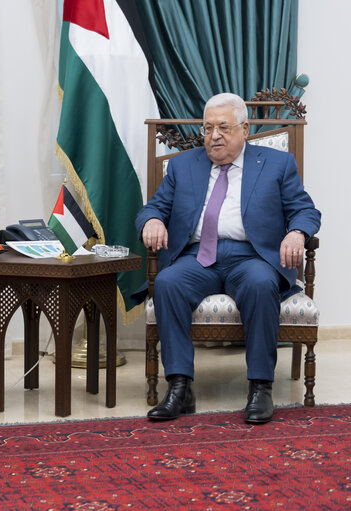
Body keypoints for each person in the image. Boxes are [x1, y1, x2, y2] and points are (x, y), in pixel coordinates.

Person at [135, 93, 320, 424]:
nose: (214, 136)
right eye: (208, 128)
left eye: (223, 127)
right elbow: (154, 207)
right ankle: (180, 387)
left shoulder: (277, 164)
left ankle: (261, 387)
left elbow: (304, 209)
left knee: (262, 284)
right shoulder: (182, 164)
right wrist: (151, 220)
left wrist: (297, 234)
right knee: (167, 283)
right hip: (197, 257)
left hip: (251, 257)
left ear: (244, 129)